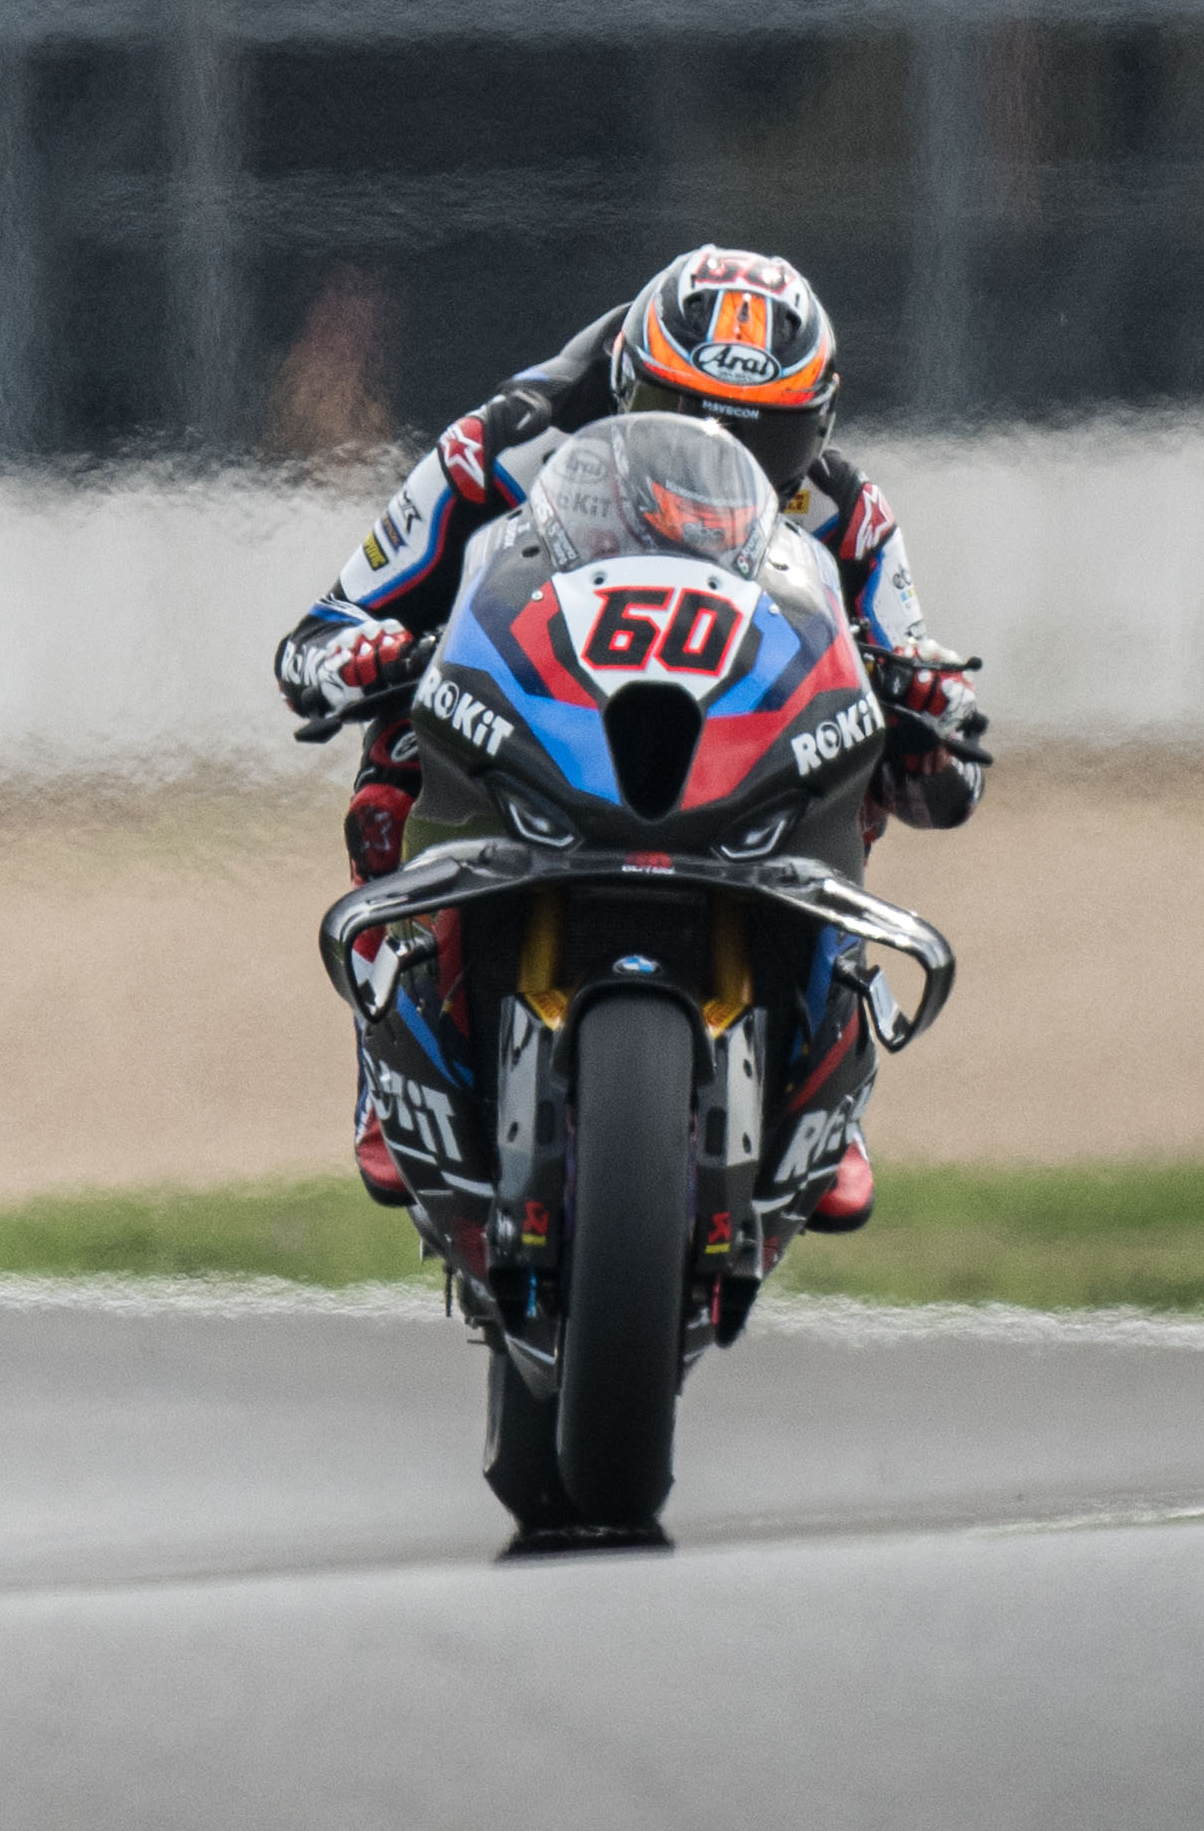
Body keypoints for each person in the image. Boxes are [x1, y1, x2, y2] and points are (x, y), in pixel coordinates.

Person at [269, 245, 986, 1229]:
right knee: (395, 749)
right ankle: (389, 1052)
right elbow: (320, 632)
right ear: (622, 380)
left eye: (764, 435)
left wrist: (928, 713)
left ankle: (830, 1063)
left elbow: (939, 756)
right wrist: (364, 656)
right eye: (675, 411)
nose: (713, 456)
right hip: (550, 712)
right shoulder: (502, 444)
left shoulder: (846, 512)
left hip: (732, 739)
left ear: (814, 426)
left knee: (852, 748)